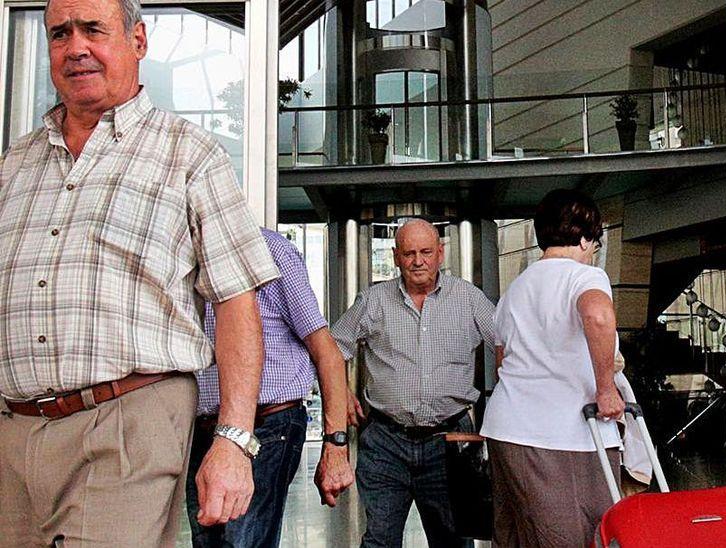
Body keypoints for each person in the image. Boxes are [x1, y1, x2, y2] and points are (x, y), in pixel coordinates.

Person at [0, 0, 280, 544]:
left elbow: (236, 303)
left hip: (127, 420)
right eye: (60, 34)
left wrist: (234, 439)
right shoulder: (13, 165)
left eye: (93, 30)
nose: (75, 47)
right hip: (13, 431)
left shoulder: (189, 154)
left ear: (138, 41)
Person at [331, 218, 497, 548]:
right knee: (379, 540)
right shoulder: (374, 300)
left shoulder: (469, 299)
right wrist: (342, 394)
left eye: (425, 252)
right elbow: (332, 349)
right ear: (395, 257)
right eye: (408, 253)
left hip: (450, 442)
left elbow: (511, 346)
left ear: (440, 253)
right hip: (385, 443)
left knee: (453, 541)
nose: (417, 261)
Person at [186, 228, 356, 547]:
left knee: (242, 541)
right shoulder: (180, 253)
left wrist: (336, 446)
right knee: (208, 540)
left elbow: (327, 352)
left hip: (269, 425)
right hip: (203, 431)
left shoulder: (271, 250)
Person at [481, 189, 626, 548]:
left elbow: (502, 362)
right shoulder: (584, 277)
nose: (594, 251)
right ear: (583, 237)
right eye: (595, 242)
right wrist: (606, 389)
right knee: (583, 536)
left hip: (506, 431)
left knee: (517, 536)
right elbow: (598, 315)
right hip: (565, 435)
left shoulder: (514, 291)